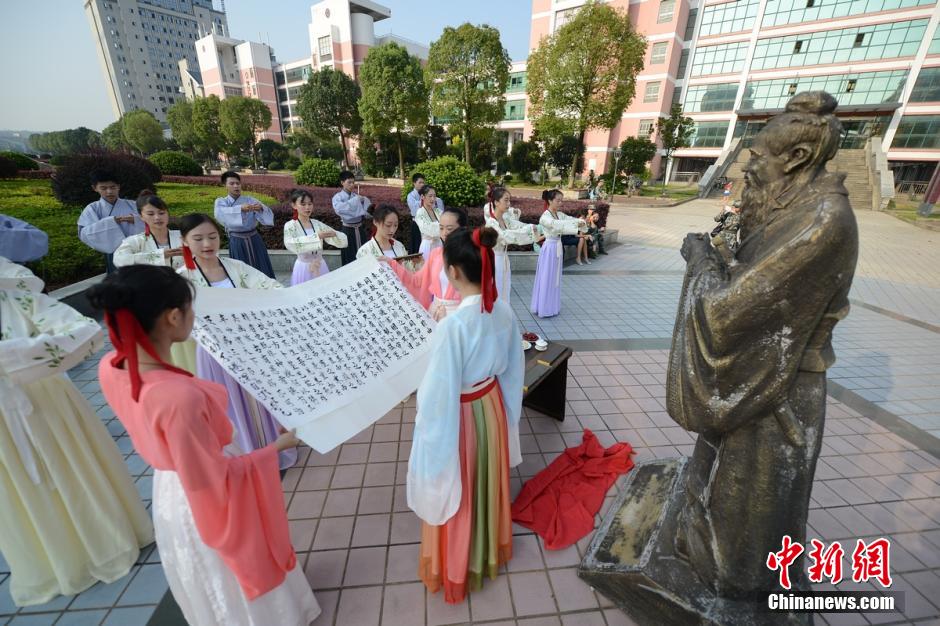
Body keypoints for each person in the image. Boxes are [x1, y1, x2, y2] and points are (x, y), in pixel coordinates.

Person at [92, 265, 320, 626]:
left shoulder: (111, 365)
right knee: (233, 561)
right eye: (190, 307)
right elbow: (212, 480)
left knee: (206, 575)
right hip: (201, 492)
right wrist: (276, 447)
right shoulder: (178, 397)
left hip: (170, 487)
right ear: (173, 316)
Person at [0, 259, 153, 607]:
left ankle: (107, 542)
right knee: (19, 489)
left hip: (45, 401)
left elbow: (85, 331)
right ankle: (55, 561)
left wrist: (13, 357)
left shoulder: (14, 293)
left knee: (71, 470)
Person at [408, 226, 524, 604]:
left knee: (458, 486)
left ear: (452, 272)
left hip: (460, 416)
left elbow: (437, 394)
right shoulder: (502, 310)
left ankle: (458, 563)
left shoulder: (452, 326)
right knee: (484, 482)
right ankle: (486, 550)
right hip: (490, 407)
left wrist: (425, 430)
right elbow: (513, 371)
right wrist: (508, 416)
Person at [176, 213, 296, 469]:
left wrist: (285, 299)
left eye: (212, 237)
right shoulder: (181, 278)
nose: (207, 244)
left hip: (248, 345)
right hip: (214, 353)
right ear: (185, 241)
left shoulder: (235, 267)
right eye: (198, 239)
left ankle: (269, 449)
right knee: (229, 403)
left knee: (259, 398)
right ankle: (242, 457)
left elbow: (268, 286)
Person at [384, 207, 467, 321]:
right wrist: (390, 263)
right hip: (435, 313)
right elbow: (417, 281)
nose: (444, 233)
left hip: (460, 315)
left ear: (463, 228)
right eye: (441, 228)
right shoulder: (436, 254)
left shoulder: (470, 256)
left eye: (449, 229)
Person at [530, 189, 585, 318]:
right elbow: (556, 225)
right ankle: (543, 307)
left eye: (562, 200)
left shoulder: (559, 214)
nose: (560, 203)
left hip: (557, 247)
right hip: (549, 248)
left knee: (555, 278)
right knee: (547, 277)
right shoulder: (545, 217)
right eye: (557, 200)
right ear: (550, 200)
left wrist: (579, 221)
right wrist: (575, 224)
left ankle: (552, 306)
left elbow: (569, 219)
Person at [77, 170, 144, 274]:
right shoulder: (92, 209)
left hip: (138, 249)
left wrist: (136, 220)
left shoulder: (133, 204)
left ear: (119, 186)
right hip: (113, 252)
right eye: (103, 188)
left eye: (113, 187)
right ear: (95, 188)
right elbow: (84, 233)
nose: (109, 191)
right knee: (118, 281)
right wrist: (111, 222)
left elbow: (151, 221)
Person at [483, 186, 540, 307]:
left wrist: (533, 227)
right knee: (496, 290)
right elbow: (504, 236)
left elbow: (518, 225)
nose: (509, 204)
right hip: (494, 260)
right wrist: (529, 230)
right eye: (506, 200)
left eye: (510, 200)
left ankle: (503, 319)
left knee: (505, 289)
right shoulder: (491, 223)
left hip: (503, 259)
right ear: (496, 202)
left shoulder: (505, 219)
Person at [213, 171, 276, 279]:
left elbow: (266, 212)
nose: (236, 186)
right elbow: (220, 214)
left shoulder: (249, 199)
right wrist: (240, 209)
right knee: (241, 268)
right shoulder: (221, 202)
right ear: (225, 186)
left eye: (238, 183)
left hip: (254, 238)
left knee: (261, 265)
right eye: (232, 184)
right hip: (237, 240)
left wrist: (261, 208)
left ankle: (266, 289)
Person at [283, 189, 348, 285]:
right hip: (303, 267)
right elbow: (290, 243)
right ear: (294, 205)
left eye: (310, 204)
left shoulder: (316, 224)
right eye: (303, 204)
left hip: (320, 264)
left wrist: (335, 235)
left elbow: (338, 237)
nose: (307, 207)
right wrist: (317, 237)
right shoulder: (290, 226)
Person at [114, 190, 184, 269]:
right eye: (151, 214)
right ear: (141, 216)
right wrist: (159, 255)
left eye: (161, 213)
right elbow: (119, 260)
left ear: (168, 214)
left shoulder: (183, 236)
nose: (157, 217)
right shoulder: (136, 241)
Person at [332, 171, 372, 266]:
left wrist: (364, 202)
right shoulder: (337, 197)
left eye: (353, 182)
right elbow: (339, 209)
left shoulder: (356, 197)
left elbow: (366, 213)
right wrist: (356, 201)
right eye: (349, 182)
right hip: (347, 230)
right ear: (342, 183)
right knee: (349, 255)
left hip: (360, 229)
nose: (352, 185)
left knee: (363, 252)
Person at [406, 173, 440, 255]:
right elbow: (414, 210)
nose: (422, 184)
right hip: (418, 226)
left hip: (438, 243)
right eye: (420, 182)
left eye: (423, 183)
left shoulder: (438, 210)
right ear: (414, 183)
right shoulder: (411, 196)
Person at [415, 184, 444, 262]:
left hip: (439, 244)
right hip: (427, 245)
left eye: (434, 196)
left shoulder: (438, 211)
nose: (433, 199)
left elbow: (446, 225)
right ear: (422, 197)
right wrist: (442, 227)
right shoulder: (420, 212)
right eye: (430, 196)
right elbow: (429, 230)